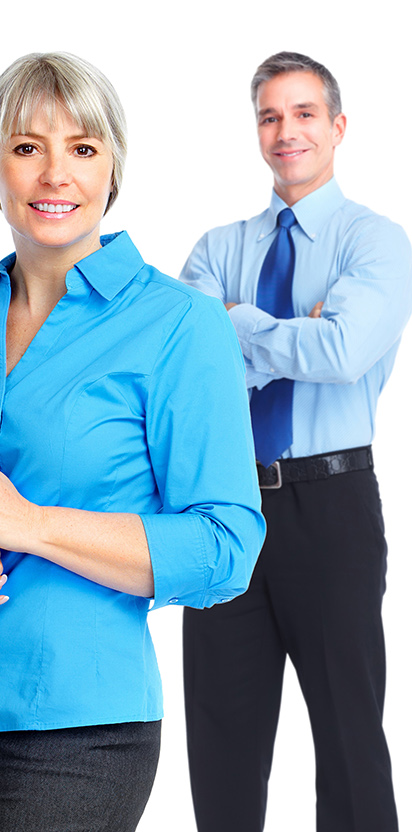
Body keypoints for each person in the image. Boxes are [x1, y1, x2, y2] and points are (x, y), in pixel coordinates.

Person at [0, 52, 266, 832]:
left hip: (77, 734)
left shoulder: (181, 325)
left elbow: (225, 547)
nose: (55, 174)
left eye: (82, 148)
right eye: (26, 147)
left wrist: (30, 523)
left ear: (113, 167)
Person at [179, 51, 410, 832]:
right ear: (257, 132)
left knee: (350, 742)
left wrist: (236, 323)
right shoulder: (218, 247)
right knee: (220, 744)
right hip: (225, 503)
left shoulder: (375, 241)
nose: (287, 132)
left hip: (331, 506)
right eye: (270, 116)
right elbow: (189, 371)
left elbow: (345, 354)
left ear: (337, 127)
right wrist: (294, 331)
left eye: (304, 113)